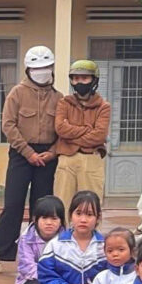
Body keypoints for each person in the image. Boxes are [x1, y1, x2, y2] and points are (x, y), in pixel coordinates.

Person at [0, 45, 62, 275]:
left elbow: (63, 130)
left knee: (43, 205)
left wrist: (52, 152)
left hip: (47, 156)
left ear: (52, 68)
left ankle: (42, 252)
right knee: (13, 204)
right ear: (28, 70)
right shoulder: (17, 93)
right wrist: (29, 153)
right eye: (36, 68)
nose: (41, 72)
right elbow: (8, 125)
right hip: (21, 153)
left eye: (46, 67)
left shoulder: (59, 98)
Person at [51, 60, 110, 207]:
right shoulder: (64, 102)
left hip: (91, 159)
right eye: (76, 78)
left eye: (84, 78)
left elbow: (99, 135)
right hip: (66, 159)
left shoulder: (103, 106)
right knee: (62, 205)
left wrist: (69, 137)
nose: (79, 82)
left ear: (94, 80)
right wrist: (87, 129)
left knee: (90, 206)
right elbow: (60, 128)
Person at [11, 195, 64, 284]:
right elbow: (28, 268)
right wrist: (49, 279)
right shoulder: (26, 239)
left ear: (61, 221)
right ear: (35, 219)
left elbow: (66, 266)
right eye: (44, 218)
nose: (49, 223)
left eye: (54, 218)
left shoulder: (67, 240)